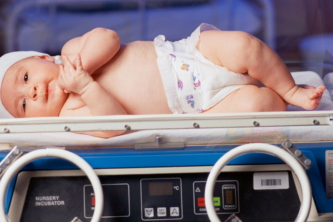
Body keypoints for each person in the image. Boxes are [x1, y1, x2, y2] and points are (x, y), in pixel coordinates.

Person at [0, 24, 326, 138]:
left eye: (26, 77)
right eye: (24, 104)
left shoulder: (71, 53)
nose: (31, 90)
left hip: (190, 55)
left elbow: (109, 38)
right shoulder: (70, 116)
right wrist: (84, 87)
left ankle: (290, 88)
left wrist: (81, 69)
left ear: (43, 59)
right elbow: (114, 124)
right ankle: (276, 97)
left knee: (244, 45)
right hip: (194, 108)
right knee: (261, 106)